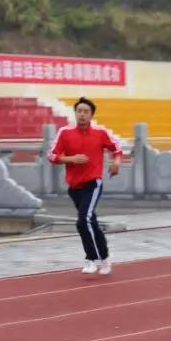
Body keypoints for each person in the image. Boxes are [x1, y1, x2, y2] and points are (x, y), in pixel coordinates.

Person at [47, 97, 123, 275]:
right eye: (79, 111)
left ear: (91, 115)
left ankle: (91, 259)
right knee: (91, 222)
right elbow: (51, 155)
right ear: (75, 113)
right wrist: (71, 159)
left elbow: (117, 149)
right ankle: (105, 258)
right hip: (74, 187)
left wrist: (117, 163)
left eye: (86, 111)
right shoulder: (65, 133)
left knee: (83, 221)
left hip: (93, 183)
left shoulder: (100, 133)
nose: (82, 114)